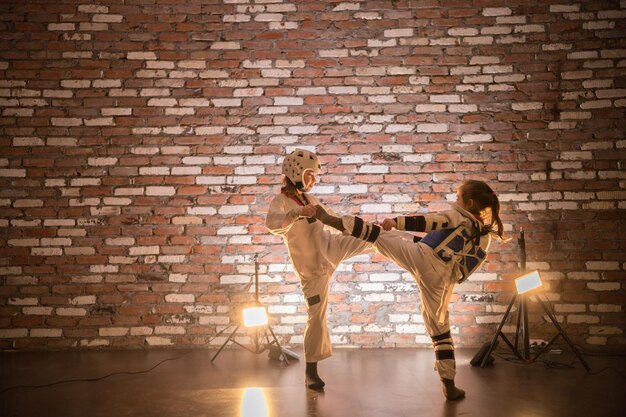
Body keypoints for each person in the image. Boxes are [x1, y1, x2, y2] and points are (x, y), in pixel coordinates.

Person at [314, 179, 506, 400]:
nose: (455, 201)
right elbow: (455, 254)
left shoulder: (459, 216)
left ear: (469, 203)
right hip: (442, 279)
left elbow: (432, 222)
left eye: (458, 198)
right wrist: (408, 238)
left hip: (424, 259)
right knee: (440, 329)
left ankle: (335, 222)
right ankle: (449, 385)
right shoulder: (484, 236)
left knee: (379, 235)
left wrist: (398, 221)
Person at [265, 149, 373, 391]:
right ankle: (310, 372)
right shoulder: (282, 202)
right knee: (316, 317)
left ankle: (414, 242)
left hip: (332, 249)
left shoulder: (312, 201)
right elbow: (273, 225)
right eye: (310, 175)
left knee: (375, 238)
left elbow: (335, 221)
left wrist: (352, 225)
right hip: (313, 271)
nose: (314, 180)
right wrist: (296, 213)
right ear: (296, 173)